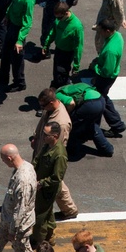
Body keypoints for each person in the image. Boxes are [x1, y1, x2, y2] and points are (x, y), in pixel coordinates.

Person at [30, 88, 78, 220]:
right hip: (41, 152)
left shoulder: (61, 123)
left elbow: (58, 145)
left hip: (48, 158)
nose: (41, 108)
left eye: (43, 105)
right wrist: (36, 136)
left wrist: (44, 159)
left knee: (56, 183)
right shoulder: (50, 110)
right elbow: (42, 123)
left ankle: (69, 210)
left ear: (51, 102)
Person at [0, 0, 35, 91]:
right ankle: (3, 75)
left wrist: (20, 40)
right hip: (12, 23)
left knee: (17, 56)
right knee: (6, 50)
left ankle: (20, 82)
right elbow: (13, 3)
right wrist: (8, 15)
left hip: (19, 29)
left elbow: (27, 22)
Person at [32, 122, 69, 249]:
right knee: (47, 212)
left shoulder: (59, 154)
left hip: (48, 189)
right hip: (41, 185)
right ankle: (50, 235)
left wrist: (41, 183)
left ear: (55, 136)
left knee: (40, 215)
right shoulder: (47, 145)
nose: (43, 136)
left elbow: (57, 177)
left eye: (46, 134)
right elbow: (38, 159)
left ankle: (39, 241)